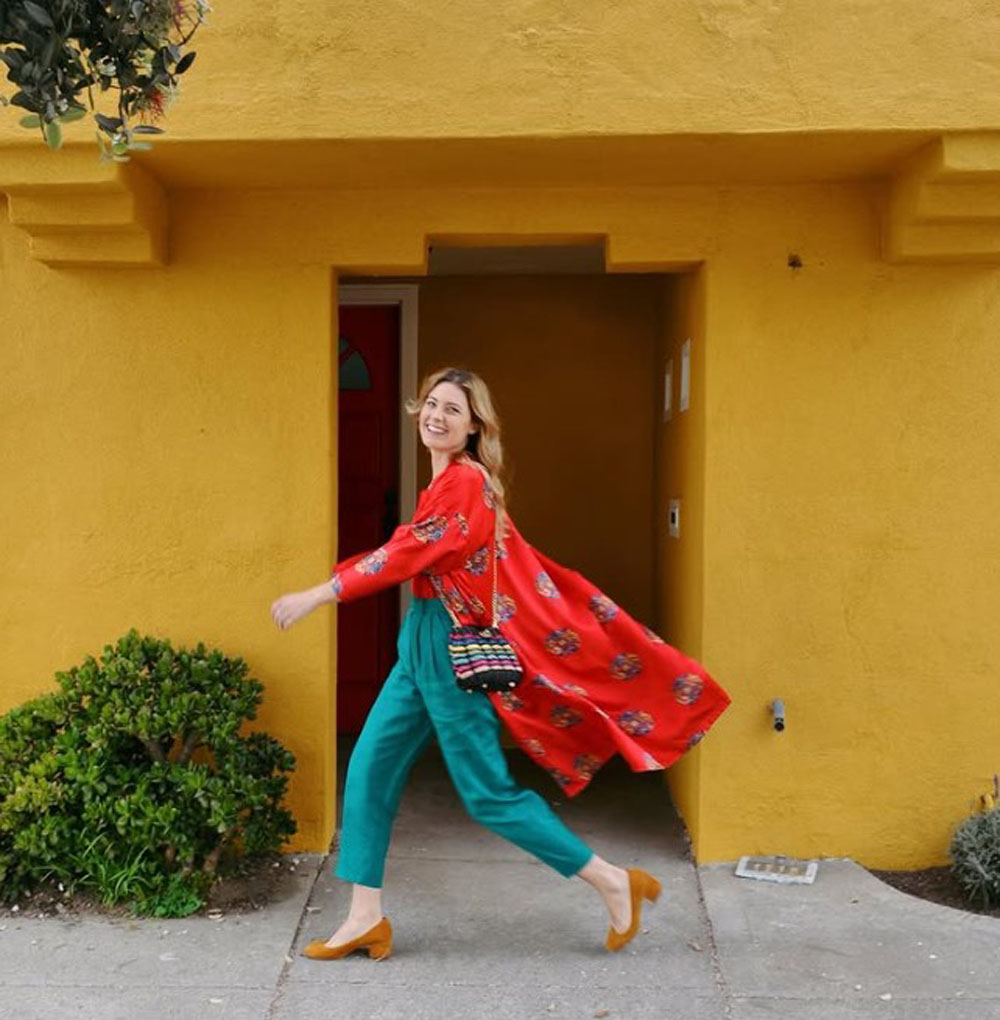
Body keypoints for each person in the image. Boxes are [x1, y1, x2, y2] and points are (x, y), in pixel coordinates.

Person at [270, 367, 730, 961]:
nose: (437, 416)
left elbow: (408, 552)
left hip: (449, 649)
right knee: (368, 769)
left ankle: (613, 881)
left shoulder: (466, 482)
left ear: (473, 427)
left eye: (452, 410)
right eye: (432, 404)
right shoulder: (443, 482)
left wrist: (321, 593)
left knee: (487, 793)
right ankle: (365, 917)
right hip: (421, 641)